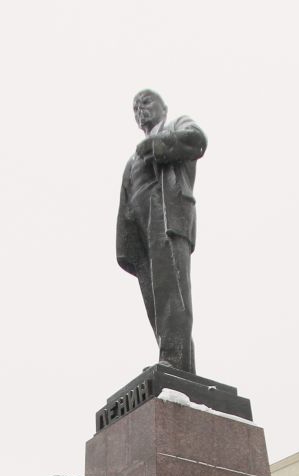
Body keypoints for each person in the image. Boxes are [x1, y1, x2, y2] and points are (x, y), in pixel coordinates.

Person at [116, 89, 206, 373]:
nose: (139, 110)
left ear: (163, 108)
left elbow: (197, 140)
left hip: (167, 221)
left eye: (145, 102)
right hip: (142, 236)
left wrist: (156, 145)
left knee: (173, 295)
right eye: (134, 107)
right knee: (156, 304)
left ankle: (173, 362)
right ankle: (181, 368)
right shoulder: (132, 160)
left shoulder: (177, 126)